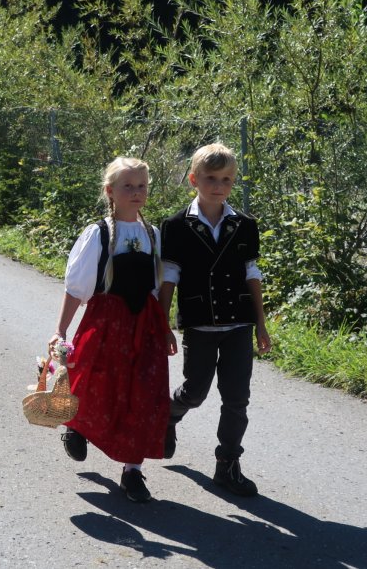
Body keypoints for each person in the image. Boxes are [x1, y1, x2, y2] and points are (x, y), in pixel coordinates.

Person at [50, 157, 179, 503]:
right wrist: (61, 331)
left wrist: (164, 328)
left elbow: (156, 287)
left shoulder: (152, 234)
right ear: (110, 191)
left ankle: (132, 471)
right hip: (107, 320)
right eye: (128, 186)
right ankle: (77, 426)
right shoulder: (100, 234)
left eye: (142, 186)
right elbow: (77, 288)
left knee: (143, 394)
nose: (136, 192)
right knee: (93, 380)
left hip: (144, 324)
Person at [159, 142, 272, 497]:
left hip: (239, 324)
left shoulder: (245, 225)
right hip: (199, 322)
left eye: (226, 179)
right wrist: (161, 323)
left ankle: (228, 464)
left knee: (237, 398)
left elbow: (251, 273)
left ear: (233, 181)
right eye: (210, 178)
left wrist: (261, 324)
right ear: (194, 179)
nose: (218, 185)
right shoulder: (176, 226)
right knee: (195, 391)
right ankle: (168, 415)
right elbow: (169, 277)